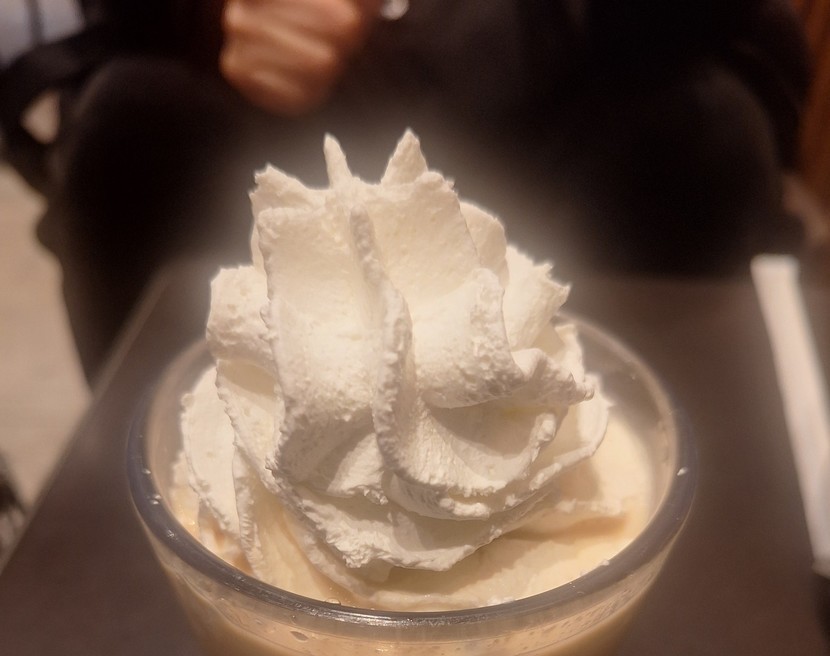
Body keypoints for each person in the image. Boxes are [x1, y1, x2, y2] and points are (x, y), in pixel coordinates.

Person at [0, 0, 811, 381]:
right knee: (133, 126)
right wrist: (215, 16)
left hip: (569, 89)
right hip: (274, 104)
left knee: (708, 136)